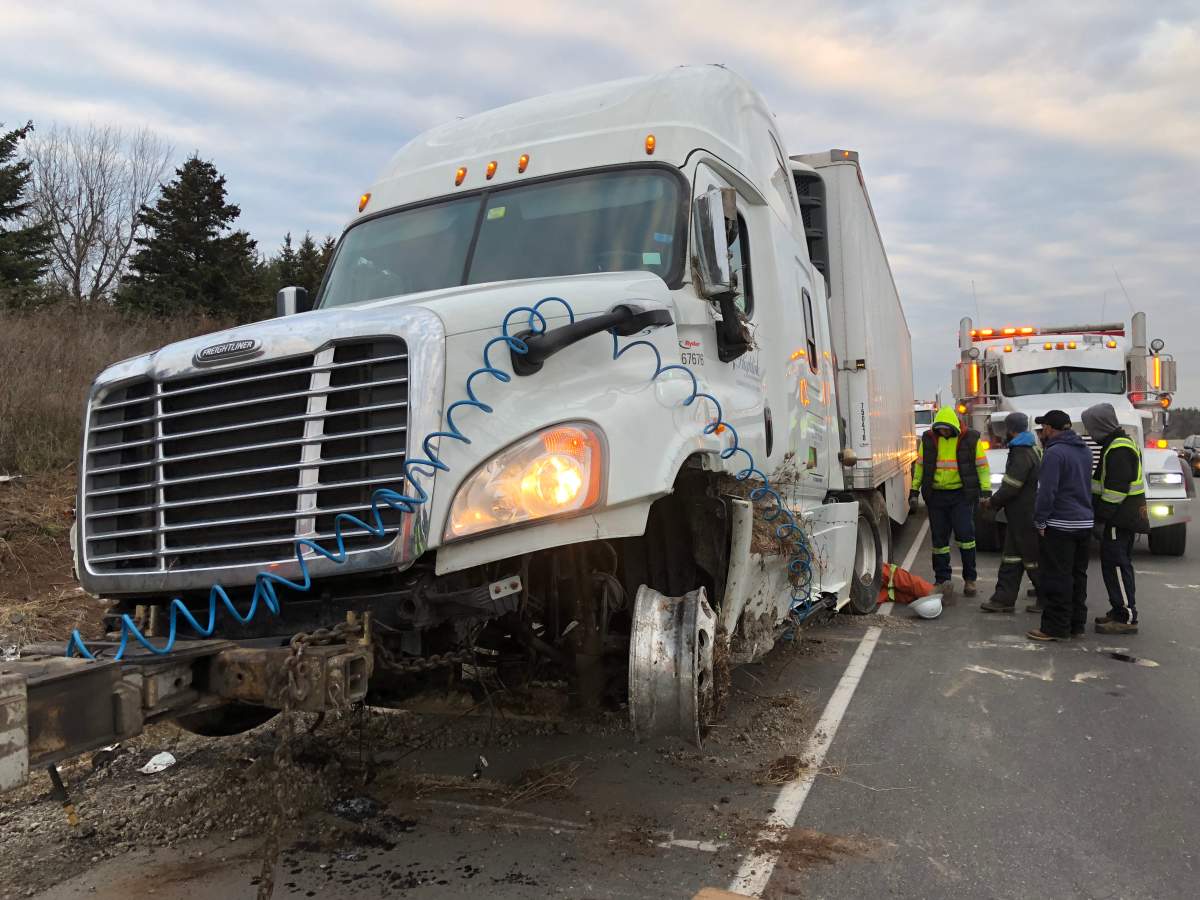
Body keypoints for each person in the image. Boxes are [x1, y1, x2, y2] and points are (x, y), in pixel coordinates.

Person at [1027, 410, 1094, 641]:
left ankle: (1055, 627)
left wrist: (1040, 520)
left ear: (1049, 429)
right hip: (1084, 522)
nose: (1041, 432)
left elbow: (1047, 492)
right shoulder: (1084, 450)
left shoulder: (1054, 453)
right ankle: (1076, 624)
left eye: (1043, 427)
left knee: (1057, 577)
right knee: (1078, 575)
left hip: (1060, 524)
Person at [1081, 402, 1147, 635]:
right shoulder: (1116, 444)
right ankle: (1118, 609)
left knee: (1117, 565)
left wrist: (1101, 516)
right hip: (1121, 517)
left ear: (1100, 426)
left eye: (1090, 428)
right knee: (1114, 564)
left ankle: (1126, 616)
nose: (1089, 433)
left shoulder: (1118, 449)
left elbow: (1116, 491)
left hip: (1119, 518)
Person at [911, 405, 990, 597]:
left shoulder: (971, 439)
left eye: (946, 429)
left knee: (965, 537)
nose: (943, 432)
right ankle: (942, 579)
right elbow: (920, 467)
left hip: (961, 496)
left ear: (954, 426)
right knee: (939, 541)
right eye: (940, 429)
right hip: (936, 496)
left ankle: (969, 579)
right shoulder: (929, 439)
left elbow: (982, 466)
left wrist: (985, 490)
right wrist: (914, 490)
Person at [979, 412, 1041, 613]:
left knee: (1032, 559)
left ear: (1011, 429)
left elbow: (1012, 486)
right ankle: (1003, 598)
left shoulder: (1021, 453)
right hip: (1019, 516)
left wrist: (992, 502)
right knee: (1011, 558)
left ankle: (1048, 598)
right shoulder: (1028, 449)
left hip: (1024, 515)